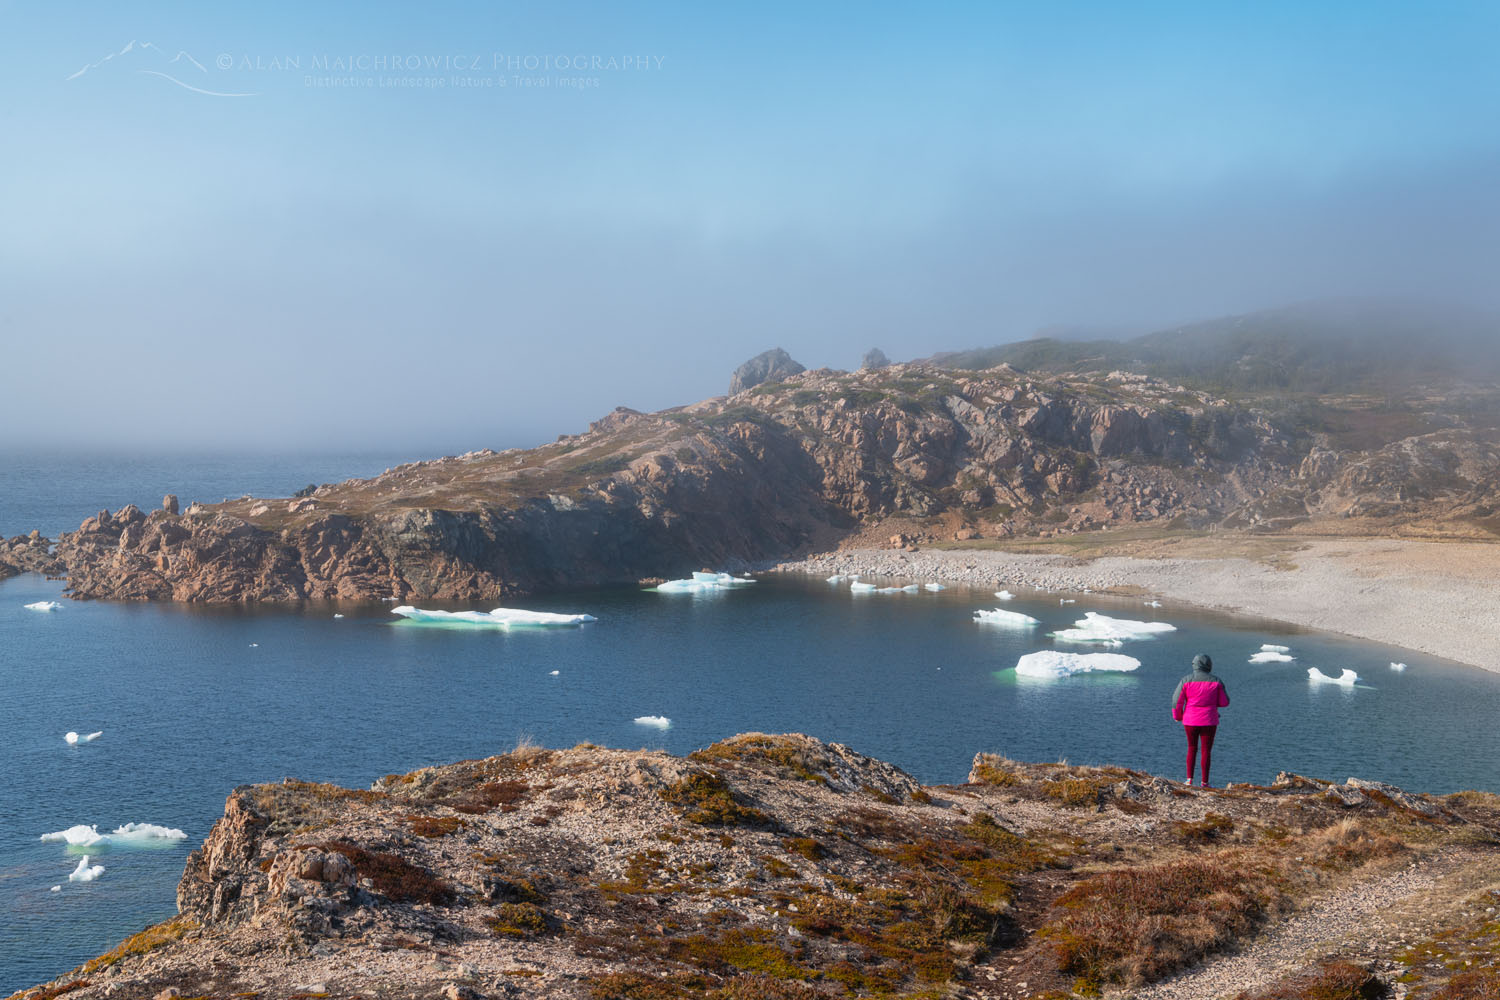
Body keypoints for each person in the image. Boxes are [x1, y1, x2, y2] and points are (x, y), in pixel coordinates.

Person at [1171, 653, 1229, 787]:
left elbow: (1176, 701)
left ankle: (1189, 780)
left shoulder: (1186, 680)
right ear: (1209, 666)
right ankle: (1204, 782)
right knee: (1206, 750)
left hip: (1190, 720)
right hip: (1209, 720)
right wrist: (1212, 703)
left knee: (1191, 748)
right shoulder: (1216, 681)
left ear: (1194, 665)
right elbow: (1225, 702)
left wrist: (1177, 716)